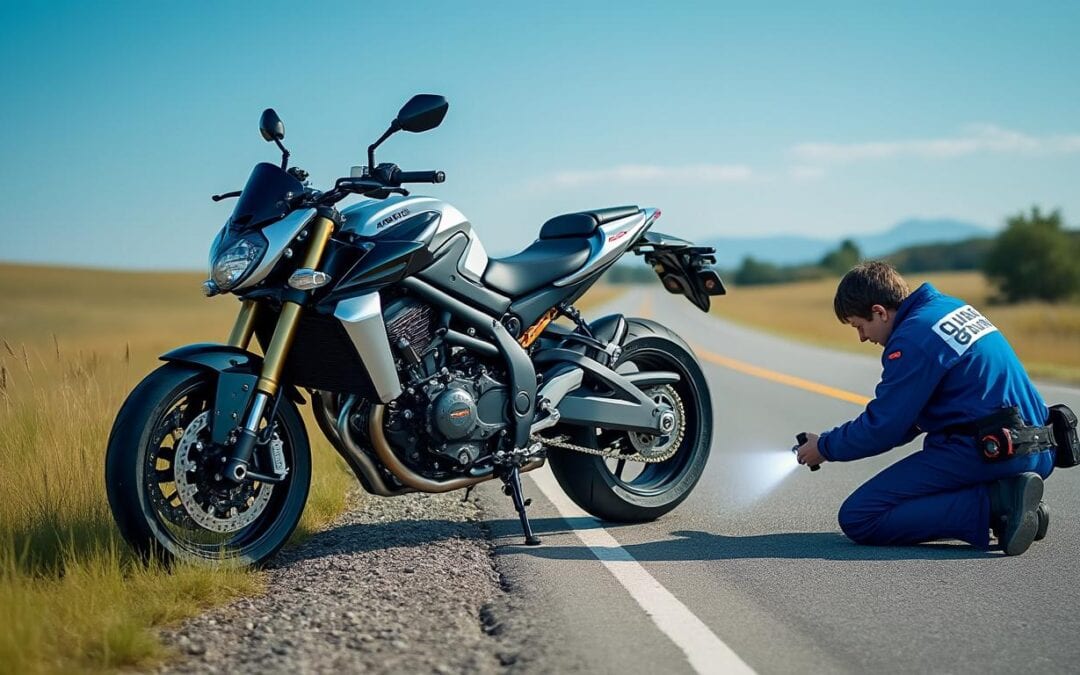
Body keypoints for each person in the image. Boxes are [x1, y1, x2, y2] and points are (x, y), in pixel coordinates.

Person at [795, 261, 1056, 556]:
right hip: (1037, 448)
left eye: (860, 325)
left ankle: (1000, 506)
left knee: (860, 516)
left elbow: (884, 427)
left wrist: (825, 447)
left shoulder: (911, 339)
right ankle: (1020, 506)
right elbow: (911, 419)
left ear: (879, 312)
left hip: (992, 451)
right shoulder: (949, 307)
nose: (862, 337)